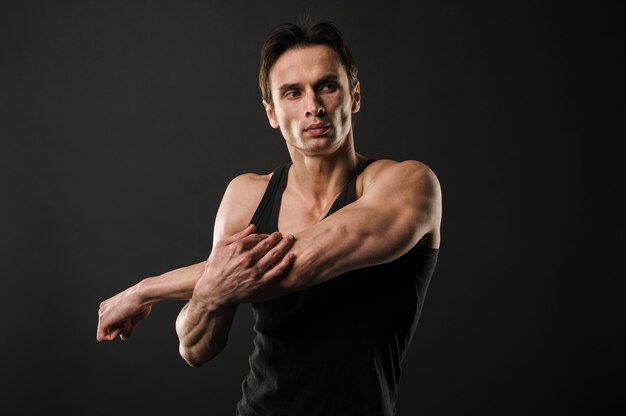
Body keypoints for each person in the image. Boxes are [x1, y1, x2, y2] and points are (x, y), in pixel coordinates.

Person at [97, 20, 442, 416]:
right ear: (272, 113)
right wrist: (211, 291)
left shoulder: (409, 185)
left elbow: (292, 264)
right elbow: (195, 348)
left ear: (355, 96)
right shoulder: (246, 196)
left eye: (327, 86)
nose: (313, 106)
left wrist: (145, 289)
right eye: (292, 93)